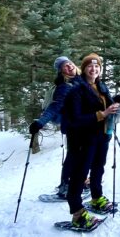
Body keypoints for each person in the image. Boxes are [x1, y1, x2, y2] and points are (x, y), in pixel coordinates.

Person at [65, 53, 120, 229]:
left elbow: (106, 106)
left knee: (98, 168)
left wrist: (114, 105)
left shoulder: (101, 85)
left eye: (97, 66)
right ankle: (77, 214)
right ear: (84, 68)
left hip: (101, 137)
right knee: (79, 175)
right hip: (82, 140)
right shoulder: (76, 88)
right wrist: (101, 114)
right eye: (90, 66)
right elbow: (75, 118)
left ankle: (96, 198)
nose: (94, 69)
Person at [29, 56, 81, 199]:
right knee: (72, 156)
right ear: (61, 71)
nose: (69, 66)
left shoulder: (81, 79)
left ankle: (81, 181)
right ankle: (65, 187)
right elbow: (54, 107)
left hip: (84, 126)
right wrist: (40, 122)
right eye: (65, 66)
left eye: (70, 63)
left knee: (81, 156)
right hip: (73, 127)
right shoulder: (64, 86)